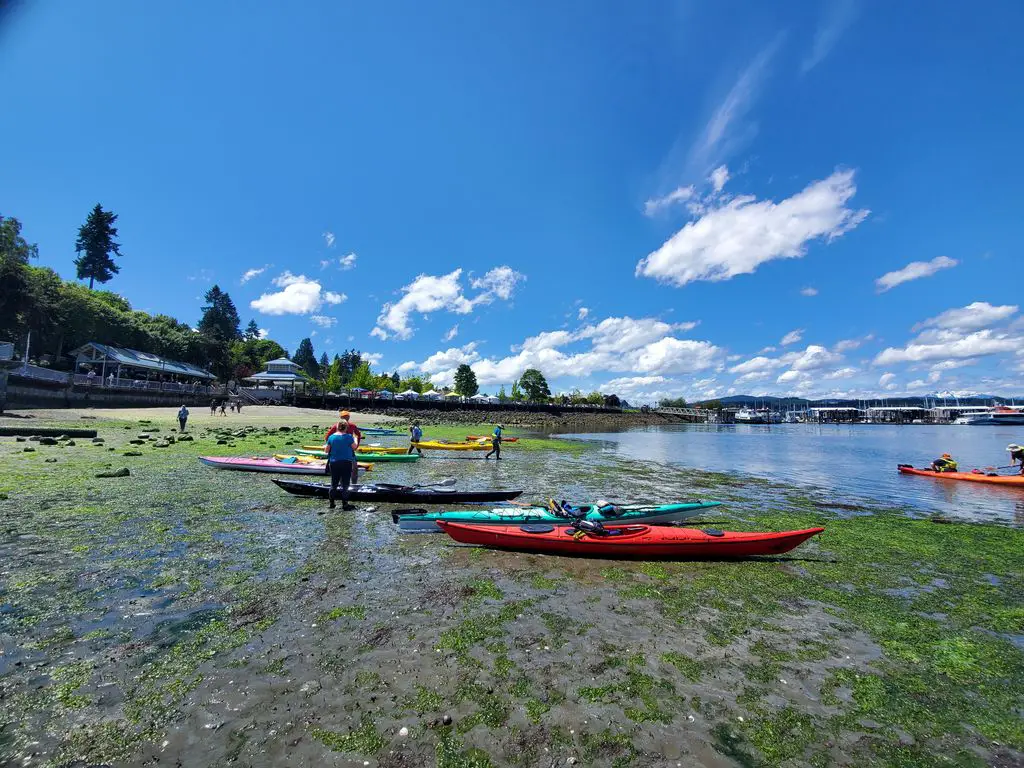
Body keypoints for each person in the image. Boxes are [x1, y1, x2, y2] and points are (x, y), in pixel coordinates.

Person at [324, 418, 357, 510]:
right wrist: (355, 439)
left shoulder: (331, 437)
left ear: (337, 427)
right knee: (345, 484)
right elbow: (354, 448)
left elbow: (326, 451)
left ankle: (331, 503)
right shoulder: (349, 437)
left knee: (333, 484)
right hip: (346, 462)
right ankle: (345, 504)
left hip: (334, 462)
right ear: (346, 427)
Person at [324, 410, 363, 483]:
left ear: (349, 417)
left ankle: (354, 485)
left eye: (347, 416)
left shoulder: (352, 426)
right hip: (338, 451)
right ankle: (341, 486)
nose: (345, 418)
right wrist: (331, 447)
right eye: (344, 416)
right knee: (343, 470)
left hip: (349, 450)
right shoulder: (336, 426)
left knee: (354, 469)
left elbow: (358, 435)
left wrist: (357, 445)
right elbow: (327, 437)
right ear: (341, 417)